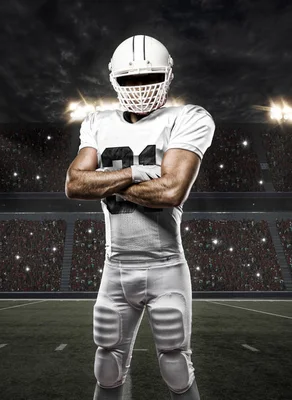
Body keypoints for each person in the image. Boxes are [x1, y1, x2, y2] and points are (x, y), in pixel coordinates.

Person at [65, 34, 215, 400]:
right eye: (131, 79)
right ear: (115, 80)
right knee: (107, 365)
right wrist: (135, 174)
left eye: (149, 78)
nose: (140, 88)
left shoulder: (189, 117)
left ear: (167, 76)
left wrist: (103, 183)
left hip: (165, 265)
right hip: (114, 267)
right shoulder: (97, 122)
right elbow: (73, 183)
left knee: (176, 366)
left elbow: (170, 191)